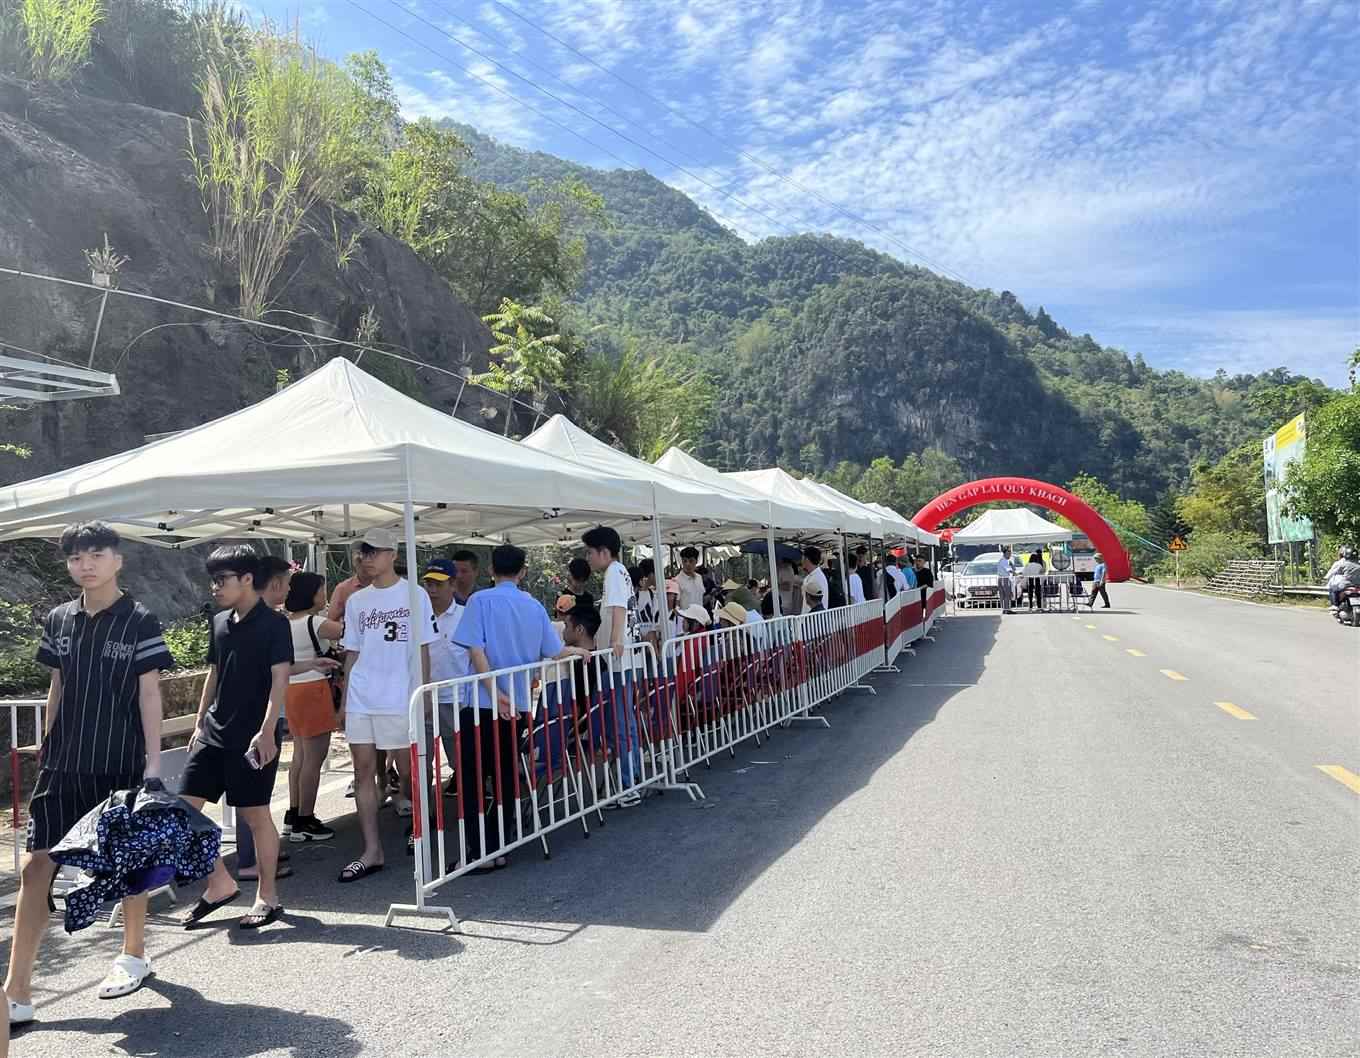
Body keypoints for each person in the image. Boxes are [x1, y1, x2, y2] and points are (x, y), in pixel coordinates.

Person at [5, 523, 174, 1023]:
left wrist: (153, 762)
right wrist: (48, 739)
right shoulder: (59, 619)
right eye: (77, 558)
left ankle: (134, 954)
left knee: (126, 866)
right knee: (37, 868)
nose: (86, 565)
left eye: (96, 555)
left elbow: (149, 694)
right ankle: (16, 991)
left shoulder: (140, 619)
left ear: (117, 560)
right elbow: (58, 683)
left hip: (119, 762)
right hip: (62, 764)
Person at [453, 544, 592, 870]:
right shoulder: (532, 606)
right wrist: (577, 652)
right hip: (517, 704)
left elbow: (476, 651)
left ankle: (478, 850)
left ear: (490, 570)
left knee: (474, 778)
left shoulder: (479, 601)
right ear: (523, 571)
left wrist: (492, 690)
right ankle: (500, 843)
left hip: (481, 704)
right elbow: (555, 651)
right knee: (505, 774)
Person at [179, 544, 291, 930]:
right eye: (212, 580)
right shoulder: (220, 621)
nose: (215, 587)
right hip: (213, 732)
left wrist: (266, 731)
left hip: (252, 736)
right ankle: (219, 884)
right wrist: (198, 722)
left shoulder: (275, 624)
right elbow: (214, 672)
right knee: (182, 810)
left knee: (255, 814)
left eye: (221, 580)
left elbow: (280, 680)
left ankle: (268, 896)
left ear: (247, 579)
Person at [334, 528, 436, 883]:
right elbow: (353, 653)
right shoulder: (357, 601)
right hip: (364, 696)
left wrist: (421, 694)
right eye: (364, 552)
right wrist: (346, 701)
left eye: (375, 551)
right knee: (363, 772)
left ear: (393, 553)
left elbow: (423, 647)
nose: (368, 557)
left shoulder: (415, 595)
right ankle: (371, 849)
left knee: (409, 770)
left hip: (399, 695)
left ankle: (421, 829)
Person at [583, 525, 644, 807]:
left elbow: (618, 609)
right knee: (626, 721)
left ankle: (627, 784)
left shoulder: (613, 573)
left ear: (604, 552)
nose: (588, 558)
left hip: (621, 657)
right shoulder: (619, 572)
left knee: (621, 722)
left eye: (590, 553)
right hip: (625, 655)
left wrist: (616, 639)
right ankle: (632, 778)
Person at [282, 572, 342, 843]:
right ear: (311, 594)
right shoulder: (316, 623)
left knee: (299, 756)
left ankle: (293, 814)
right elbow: (351, 632)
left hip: (292, 689)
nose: (324, 596)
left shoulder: (286, 623)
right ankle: (306, 819)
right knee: (314, 759)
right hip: (314, 689)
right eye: (321, 591)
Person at [419, 557, 471, 836]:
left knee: (459, 760)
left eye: (438, 584)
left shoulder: (466, 614)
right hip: (423, 697)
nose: (432, 589)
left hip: (455, 698)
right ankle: (425, 817)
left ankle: (468, 813)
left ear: (453, 584)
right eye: (428, 583)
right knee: (421, 761)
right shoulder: (416, 615)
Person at [326, 542, 372, 622]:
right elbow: (331, 621)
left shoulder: (387, 586)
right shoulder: (342, 589)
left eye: (367, 554)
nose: (362, 558)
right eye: (358, 553)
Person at [800, 546, 829, 614]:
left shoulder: (818, 578)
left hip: (815, 620)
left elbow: (817, 602)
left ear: (806, 559)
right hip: (809, 619)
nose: (801, 560)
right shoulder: (811, 576)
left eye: (802, 557)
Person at [996, 547, 1015, 613]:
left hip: (1001, 578)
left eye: (1010, 554)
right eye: (1008, 553)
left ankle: (1004, 609)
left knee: (1003, 595)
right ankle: (1007, 609)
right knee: (1007, 594)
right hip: (1004, 579)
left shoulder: (1002, 560)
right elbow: (1010, 570)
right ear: (1004, 553)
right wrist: (1015, 573)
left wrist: (1012, 566)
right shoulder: (1004, 561)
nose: (1009, 555)